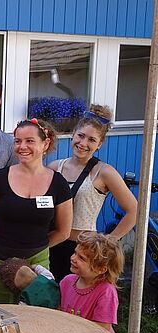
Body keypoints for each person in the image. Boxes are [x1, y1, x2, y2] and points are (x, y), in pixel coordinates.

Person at [0, 118, 73, 299]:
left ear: (45, 144)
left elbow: (64, 231)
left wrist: (35, 246)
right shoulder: (0, 178)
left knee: (35, 321)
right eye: (17, 141)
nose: (22, 146)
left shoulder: (58, 184)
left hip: (36, 266)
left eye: (29, 141)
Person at [49, 105, 137, 283]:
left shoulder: (104, 172)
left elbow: (134, 211)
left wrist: (108, 240)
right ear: (73, 134)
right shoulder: (54, 167)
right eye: (80, 136)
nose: (83, 144)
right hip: (51, 243)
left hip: (83, 250)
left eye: (91, 140)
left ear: (100, 144)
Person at [60, 232, 123, 333]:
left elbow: (101, 331)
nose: (73, 258)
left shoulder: (106, 292)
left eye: (81, 258)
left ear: (101, 269)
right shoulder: (66, 282)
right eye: (75, 253)